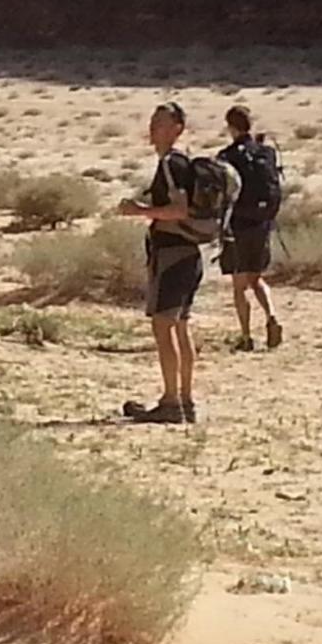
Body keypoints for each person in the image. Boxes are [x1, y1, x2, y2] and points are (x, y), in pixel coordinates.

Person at [117, 102, 202, 424]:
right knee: (180, 327)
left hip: (173, 256)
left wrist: (139, 211)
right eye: (153, 121)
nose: (153, 128)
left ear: (177, 128)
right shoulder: (180, 163)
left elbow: (179, 210)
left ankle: (170, 402)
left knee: (163, 327)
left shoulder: (171, 164)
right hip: (188, 255)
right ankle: (184, 399)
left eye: (161, 123)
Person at [218, 106, 283, 351]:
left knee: (238, 285)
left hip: (237, 225)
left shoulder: (227, 156)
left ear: (231, 127)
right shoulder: (266, 152)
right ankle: (272, 317)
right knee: (256, 278)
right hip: (261, 223)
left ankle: (246, 337)